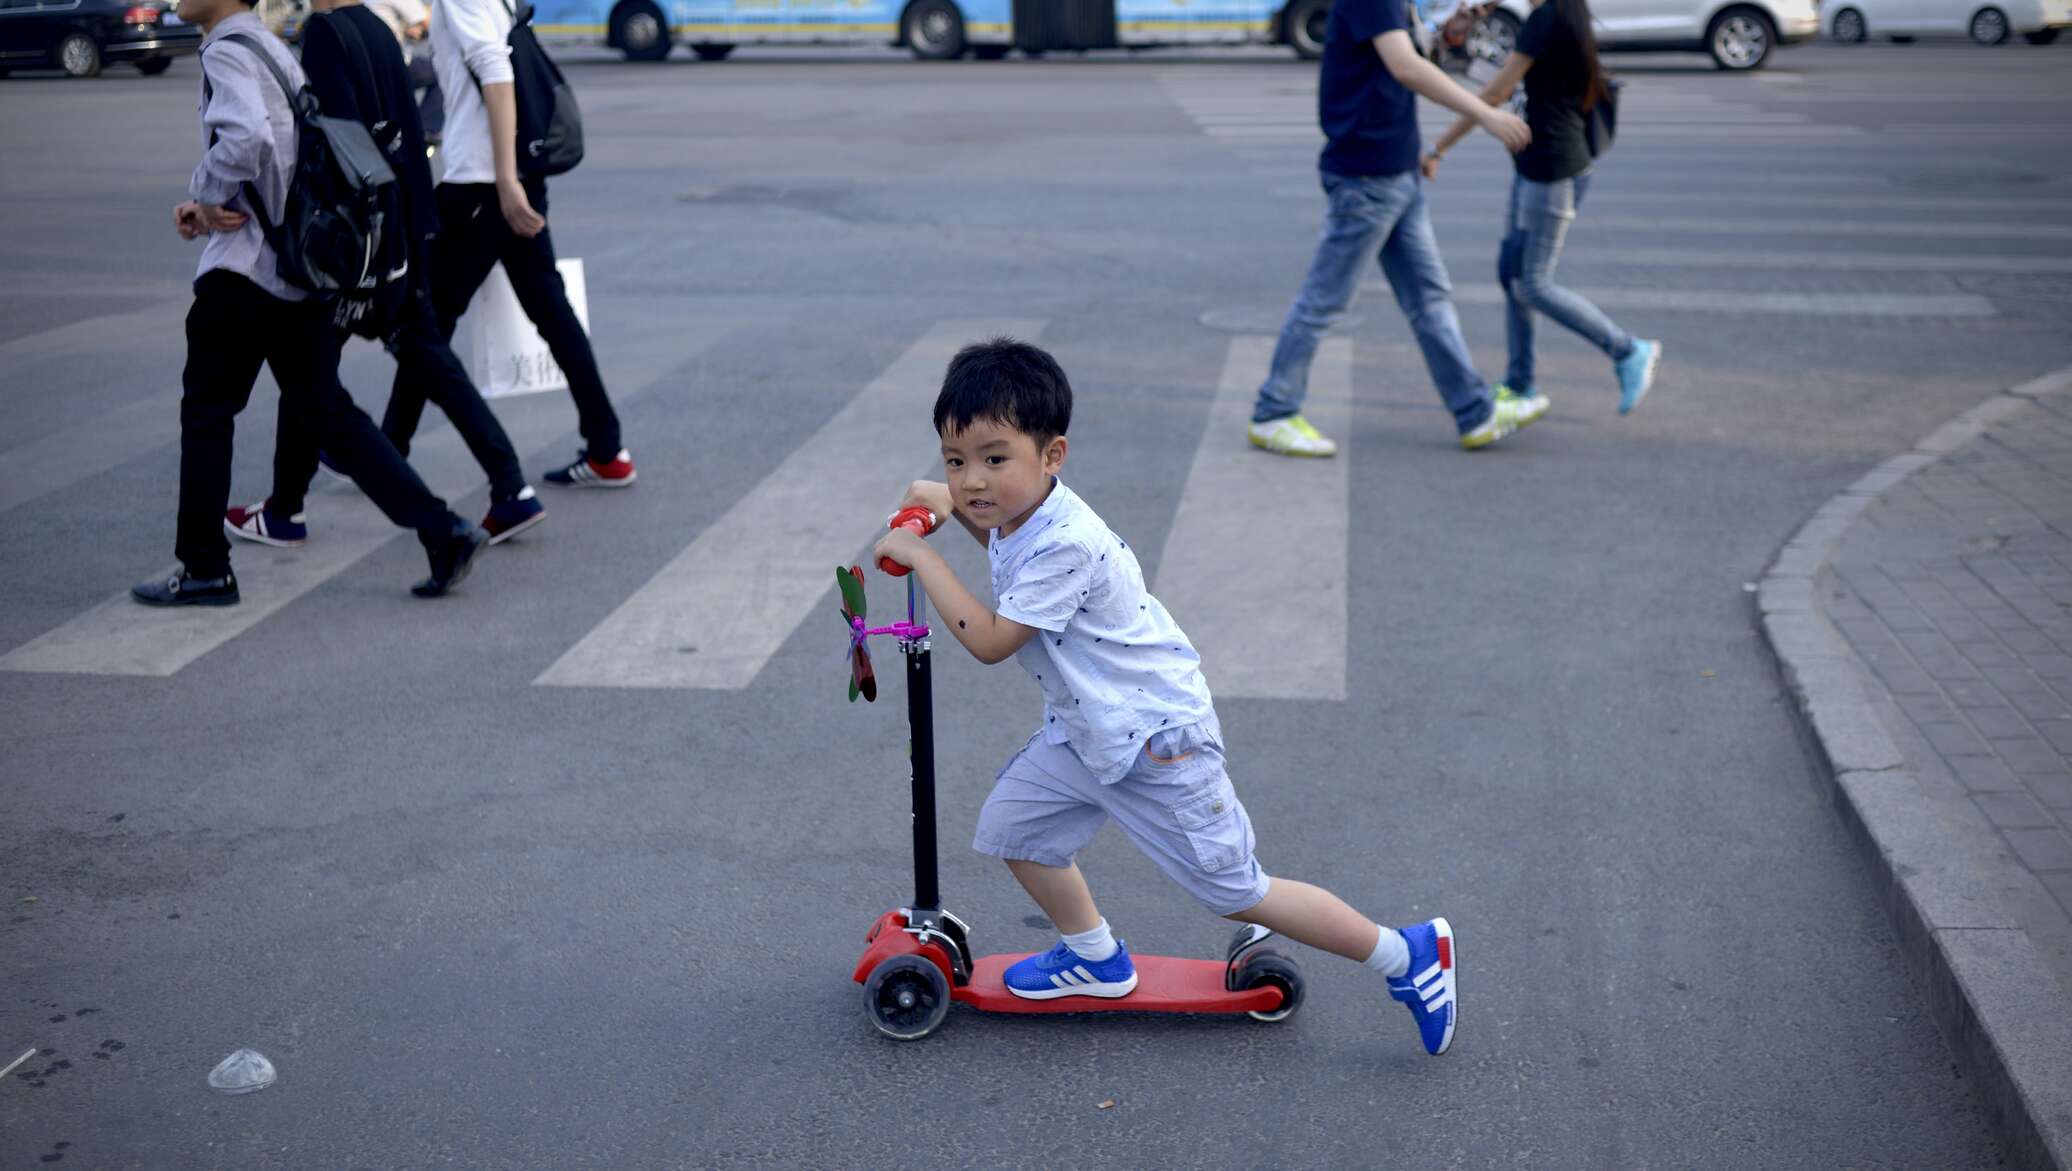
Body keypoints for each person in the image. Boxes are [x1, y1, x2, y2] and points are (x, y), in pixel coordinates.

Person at [874, 339, 1459, 1055]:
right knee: (1016, 832)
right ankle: (1095, 956)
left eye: (995, 459)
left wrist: (925, 556)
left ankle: (1407, 955)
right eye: (955, 460)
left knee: (1238, 891)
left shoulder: (1067, 543)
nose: (972, 481)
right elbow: (996, 536)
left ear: (1052, 456)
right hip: (1090, 730)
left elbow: (995, 638)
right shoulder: (1021, 513)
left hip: (1157, 741)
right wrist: (950, 508)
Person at [135, 0, 485, 608]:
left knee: (208, 412)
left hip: (246, 269)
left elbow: (246, 138)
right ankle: (442, 529)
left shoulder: (226, 49)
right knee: (330, 413)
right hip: (300, 270)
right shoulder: (273, 48)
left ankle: (204, 569)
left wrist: (203, 196)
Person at [224, 0, 548, 551]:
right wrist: (419, 228)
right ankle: (510, 486)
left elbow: (334, 140)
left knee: (311, 373)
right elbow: (407, 127)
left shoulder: (324, 32)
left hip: (358, 244)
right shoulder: (375, 27)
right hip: (402, 229)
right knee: (427, 367)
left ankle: (287, 511)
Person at [1247, 0, 1546, 457]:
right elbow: (1404, 67)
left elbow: (1407, 58)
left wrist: (1451, 33)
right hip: (1368, 175)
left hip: (1395, 169)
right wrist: (1484, 114)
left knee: (1430, 298)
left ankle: (1474, 411)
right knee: (1324, 302)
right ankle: (1274, 411)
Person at [392, 0, 637, 489]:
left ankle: (389, 448)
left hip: (483, 185)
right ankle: (608, 448)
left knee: (427, 322)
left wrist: (504, 181)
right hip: (509, 179)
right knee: (548, 310)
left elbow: (496, 73)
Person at [1423, 0, 1661, 414]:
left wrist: (1440, 146)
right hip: (1538, 163)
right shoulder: (1561, 11)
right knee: (1511, 271)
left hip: (1554, 169)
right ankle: (1520, 383)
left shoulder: (1546, 16)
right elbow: (1495, 75)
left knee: (1532, 282)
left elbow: (1494, 93)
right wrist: (1471, 22)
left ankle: (1626, 349)